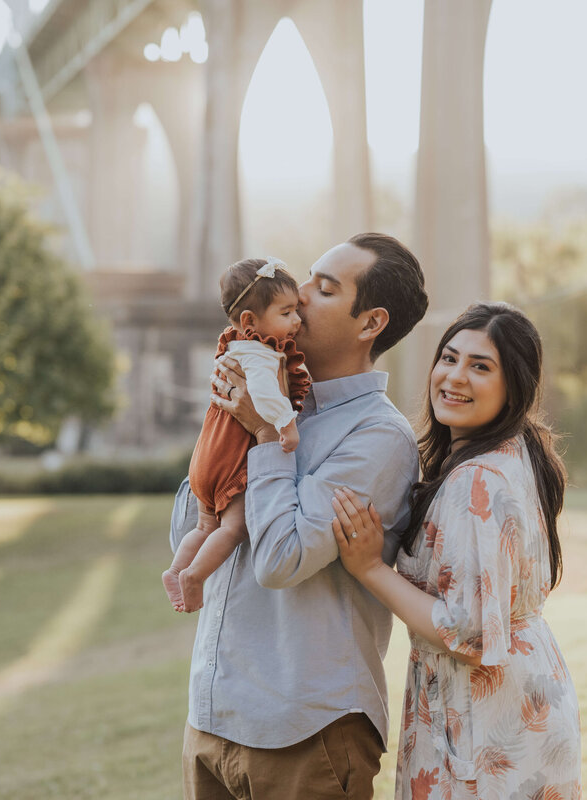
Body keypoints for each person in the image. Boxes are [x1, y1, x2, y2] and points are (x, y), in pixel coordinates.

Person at [169, 233, 429, 799]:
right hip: (212, 717)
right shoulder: (264, 395)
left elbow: (280, 560)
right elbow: (188, 531)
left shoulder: (378, 438)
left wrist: (265, 436)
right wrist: (226, 427)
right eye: (307, 278)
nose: (300, 295)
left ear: (370, 324)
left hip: (307, 734)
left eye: (325, 288)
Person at [330, 302, 581, 799]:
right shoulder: (517, 450)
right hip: (526, 701)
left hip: (483, 722)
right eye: (449, 358)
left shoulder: (476, 482)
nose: (455, 377)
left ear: (516, 386)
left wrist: (369, 569)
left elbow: (466, 631)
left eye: (480, 366)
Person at [163, 256, 310, 613]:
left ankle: (176, 569)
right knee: (233, 527)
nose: (298, 320)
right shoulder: (258, 353)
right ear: (249, 321)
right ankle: (195, 576)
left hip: (205, 456)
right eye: (287, 312)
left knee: (204, 525)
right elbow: (262, 394)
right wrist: (285, 424)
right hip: (229, 458)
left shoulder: (233, 345)